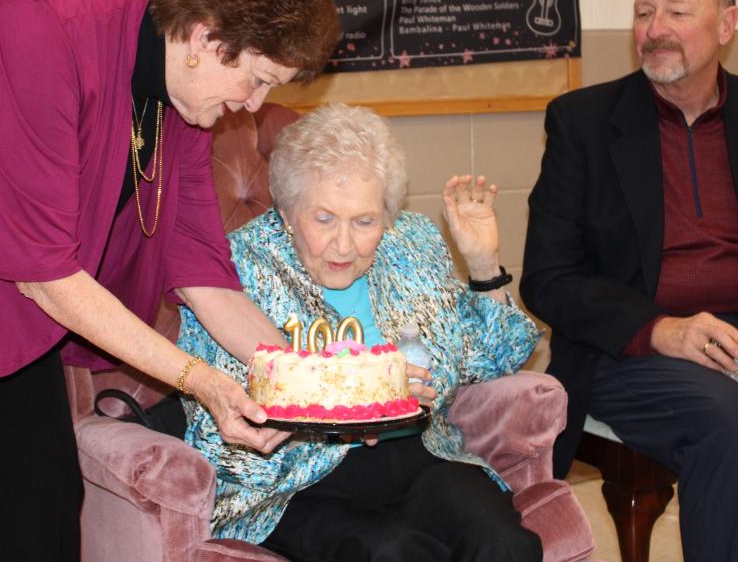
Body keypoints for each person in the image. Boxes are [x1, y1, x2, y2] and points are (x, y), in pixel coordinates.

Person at [0, 0, 340, 561]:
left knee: (41, 505)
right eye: (255, 79)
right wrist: (204, 381)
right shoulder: (43, 28)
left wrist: (312, 382)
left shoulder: (183, 96)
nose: (251, 104)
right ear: (204, 36)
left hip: (5, 268)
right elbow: (45, 272)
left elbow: (202, 272)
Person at [520, 0, 738, 562]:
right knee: (733, 428)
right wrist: (661, 330)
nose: (654, 31)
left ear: (727, 24)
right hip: (634, 350)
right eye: (642, 12)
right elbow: (549, 278)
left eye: (677, 13)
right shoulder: (582, 123)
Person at [176, 103, 544, 562]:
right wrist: (360, 397)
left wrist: (484, 265)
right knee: (398, 554)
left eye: (365, 222)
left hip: (421, 455)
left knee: (505, 545)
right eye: (324, 218)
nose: (344, 244)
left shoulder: (412, 244)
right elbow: (218, 428)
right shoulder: (235, 269)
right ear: (288, 212)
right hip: (298, 483)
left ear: (388, 218)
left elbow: (488, 357)